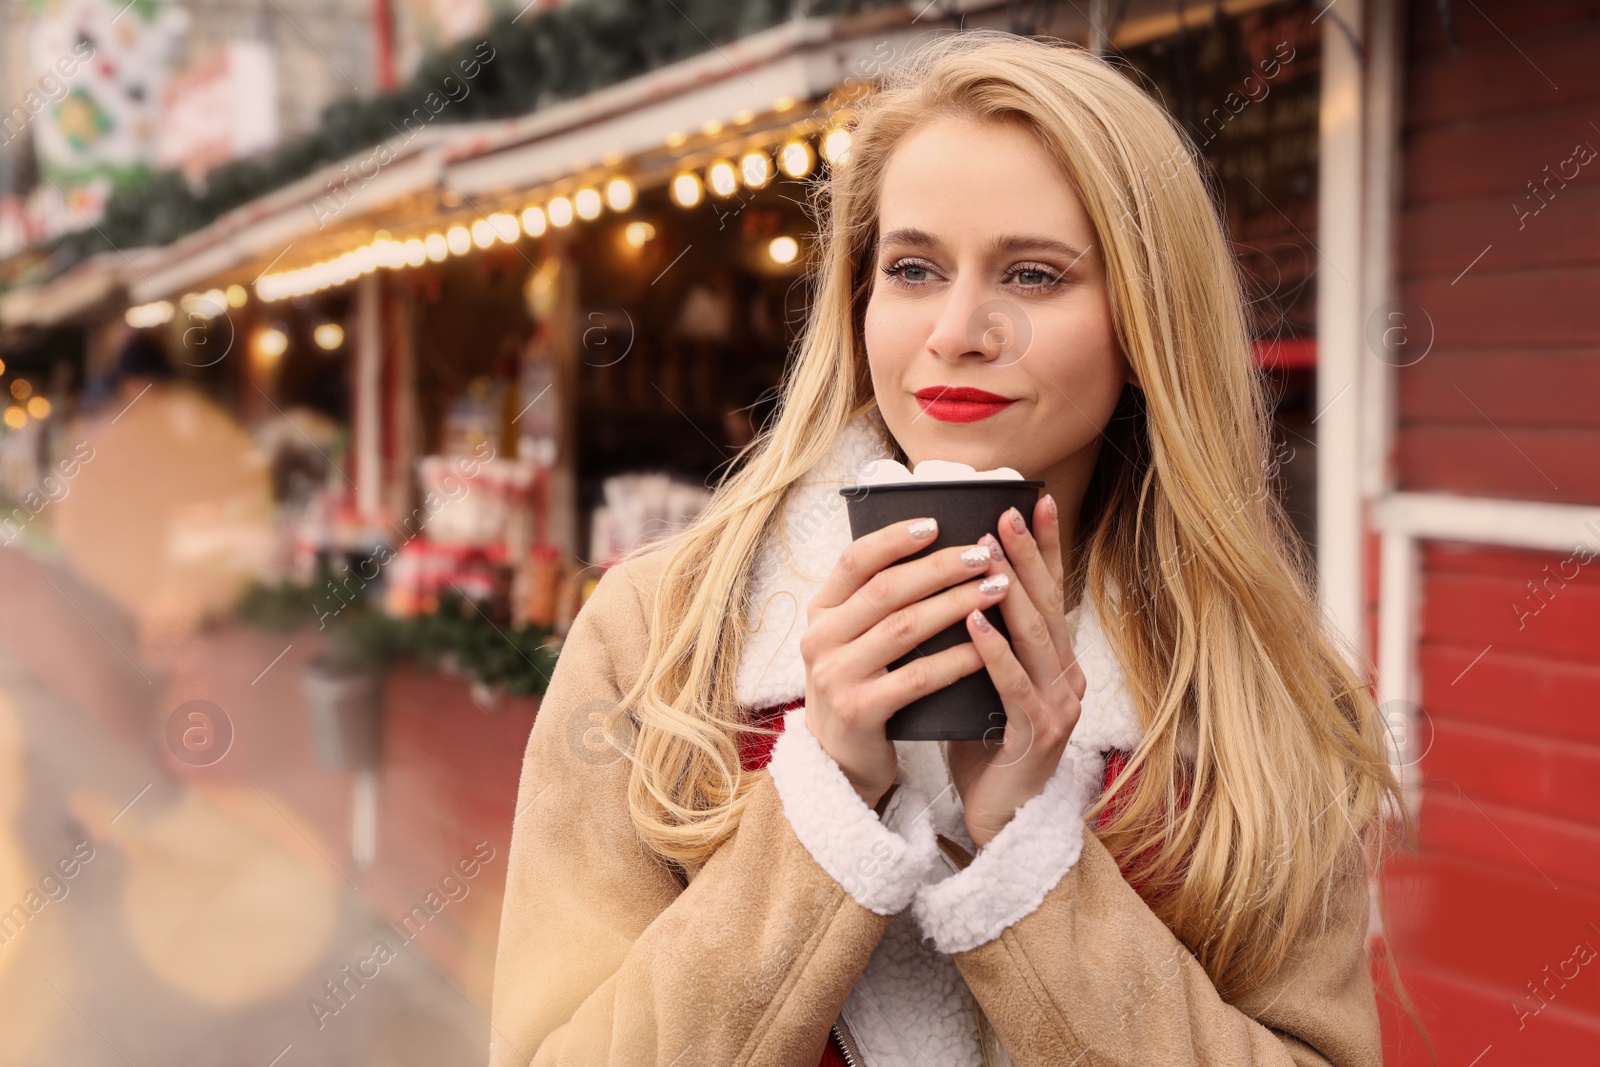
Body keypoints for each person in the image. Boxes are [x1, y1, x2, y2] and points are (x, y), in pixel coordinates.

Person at [488, 31, 1410, 1067]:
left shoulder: (1264, 688)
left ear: (1147, 320)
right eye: (914, 268)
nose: (961, 329)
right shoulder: (659, 630)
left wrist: (1030, 854)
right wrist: (825, 794)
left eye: (1032, 273)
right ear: (860, 298)